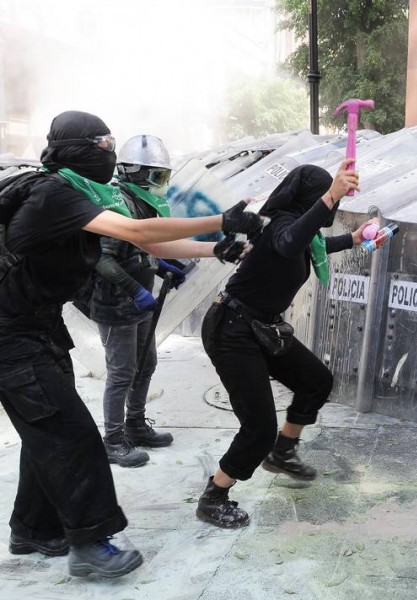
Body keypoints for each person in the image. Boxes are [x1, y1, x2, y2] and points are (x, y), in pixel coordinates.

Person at [0, 110, 261, 578]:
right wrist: (222, 218)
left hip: (34, 327)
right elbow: (138, 233)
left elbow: (152, 246)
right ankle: (90, 544)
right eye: (103, 144)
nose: (110, 153)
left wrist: (217, 246)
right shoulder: (53, 194)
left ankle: (34, 529)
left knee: (47, 433)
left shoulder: (84, 194)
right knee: (72, 435)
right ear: (78, 148)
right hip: (10, 336)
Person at [197, 160, 372, 528]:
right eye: (327, 200)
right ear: (309, 198)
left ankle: (283, 452)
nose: (333, 208)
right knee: (258, 426)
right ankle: (215, 495)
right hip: (232, 328)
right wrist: (330, 195)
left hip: (260, 326)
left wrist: (356, 239)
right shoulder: (281, 224)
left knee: (316, 381)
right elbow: (291, 241)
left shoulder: (299, 230)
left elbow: (313, 245)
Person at [85, 134, 222, 467]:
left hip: (138, 300)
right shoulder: (119, 204)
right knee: (121, 372)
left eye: (165, 176)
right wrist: (137, 290)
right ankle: (114, 440)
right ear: (135, 173)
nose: (162, 185)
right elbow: (103, 260)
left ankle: (135, 424)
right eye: (157, 177)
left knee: (146, 363)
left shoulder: (144, 203)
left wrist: (161, 267)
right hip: (116, 304)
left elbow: (139, 249)